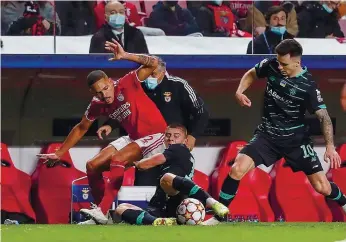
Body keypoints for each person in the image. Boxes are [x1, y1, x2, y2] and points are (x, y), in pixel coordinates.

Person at [203, 39, 346, 225]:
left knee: (322, 186)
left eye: (284, 64)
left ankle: (344, 204)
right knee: (237, 169)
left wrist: (329, 146)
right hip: (267, 136)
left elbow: (324, 118)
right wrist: (240, 91)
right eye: (278, 61)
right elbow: (252, 74)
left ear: (297, 62)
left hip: (296, 140)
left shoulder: (308, 86)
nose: (279, 66)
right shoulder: (271, 66)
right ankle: (219, 216)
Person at [37, 39, 168, 224]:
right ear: (92, 93)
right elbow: (81, 127)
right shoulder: (97, 105)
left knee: (118, 159)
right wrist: (60, 152)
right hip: (134, 137)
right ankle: (102, 216)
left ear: (110, 81)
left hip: (156, 135)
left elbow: (154, 62)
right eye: (98, 92)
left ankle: (102, 209)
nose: (104, 94)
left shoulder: (128, 82)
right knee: (92, 166)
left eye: (106, 88)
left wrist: (125, 56)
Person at [98, 60, 209, 186]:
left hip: (172, 146)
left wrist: (193, 135)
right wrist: (110, 124)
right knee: (143, 189)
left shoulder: (178, 85)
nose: (149, 77)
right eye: (148, 74)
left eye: (153, 74)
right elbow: (126, 108)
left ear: (163, 72)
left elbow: (202, 112)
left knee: (174, 188)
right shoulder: (138, 86)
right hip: (147, 146)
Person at [100, 124, 228, 226]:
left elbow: (148, 163)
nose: (171, 138)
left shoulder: (178, 148)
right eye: (167, 135)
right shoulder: (175, 156)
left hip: (178, 200)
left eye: (176, 135)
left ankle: (211, 201)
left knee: (166, 178)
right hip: (160, 205)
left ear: (185, 140)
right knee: (121, 208)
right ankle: (158, 222)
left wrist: (136, 163)